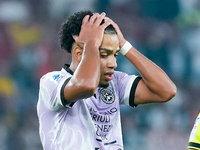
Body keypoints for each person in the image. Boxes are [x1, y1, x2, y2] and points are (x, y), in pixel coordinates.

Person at [37, 10, 177, 150]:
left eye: (115, 54)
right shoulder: (52, 82)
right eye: (104, 55)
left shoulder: (115, 82)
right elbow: (87, 85)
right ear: (79, 54)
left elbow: (166, 91)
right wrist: (91, 42)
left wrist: (124, 45)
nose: (113, 64)